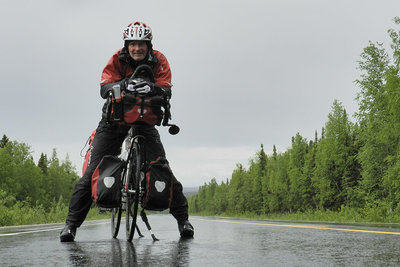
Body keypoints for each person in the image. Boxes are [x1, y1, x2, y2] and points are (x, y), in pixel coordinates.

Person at [60, 21, 194, 242]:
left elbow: (167, 88)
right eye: (133, 44)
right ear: (127, 45)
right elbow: (104, 87)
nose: (137, 48)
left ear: (148, 45)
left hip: (145, 122)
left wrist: (153, 87)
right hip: (113, 121)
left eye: (141, 44)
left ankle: (184, 222)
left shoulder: (159, 60)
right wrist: (123, 84)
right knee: (92, 172)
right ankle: (70, 226)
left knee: (163, 169)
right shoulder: (117, 59)